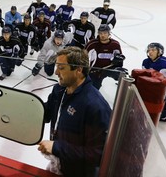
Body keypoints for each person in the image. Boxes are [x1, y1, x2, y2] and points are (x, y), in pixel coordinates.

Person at [38, 46, 111, 177]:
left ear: (78, 70)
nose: (56, 72)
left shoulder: (95, 106)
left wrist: (56, 148)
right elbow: (46, 113)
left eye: (61, 68)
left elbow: (97, 155)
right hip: (58, 163)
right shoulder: (59, 90)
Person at [85, 25, 126, 90]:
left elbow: (119, 59)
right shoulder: (92, 44)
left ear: (109, 33)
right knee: (93, 89)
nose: (102, 35)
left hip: (109, 70)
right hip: (95, 72)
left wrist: (118, 62)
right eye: (101, 33)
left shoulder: (115, 44)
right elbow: (83, 56)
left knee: (123, 74)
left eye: (105, 33)